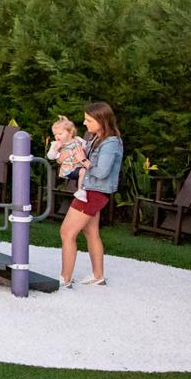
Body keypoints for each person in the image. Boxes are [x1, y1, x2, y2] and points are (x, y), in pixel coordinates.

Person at [59, 101, 125, 288]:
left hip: (94, 192)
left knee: (67, 232)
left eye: (89, 120)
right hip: (90, 189)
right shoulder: (96, 137)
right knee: (91, 232)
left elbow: (101, 171)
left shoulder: (111, 142)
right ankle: (98, 277)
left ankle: (65, 279)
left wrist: (84, 161)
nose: (85, 123)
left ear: (101, 120)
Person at [47, 116, 89, 192]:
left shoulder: (78, 139)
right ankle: (81, 191)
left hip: (78, 166)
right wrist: (55, 150)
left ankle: (81, 191)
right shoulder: (56, 144)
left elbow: (87, 147)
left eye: (60, 133)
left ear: (70, 133)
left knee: (84, 171)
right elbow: (50, 156)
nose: (57, 136)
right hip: (68, 170)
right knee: (83, 171)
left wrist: (83, 149)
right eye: (55, 134)